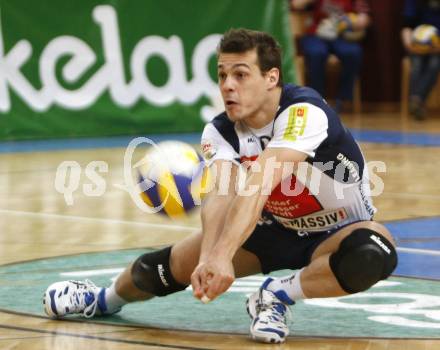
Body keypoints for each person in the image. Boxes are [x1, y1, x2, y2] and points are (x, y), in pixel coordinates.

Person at [43, 28, 397, 344]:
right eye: (223, 74)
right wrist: (212, 257)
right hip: (273, 226)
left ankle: (275, 296)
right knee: (163, 270)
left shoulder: (304, 112)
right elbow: (222, 194)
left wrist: (223, 256)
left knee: (373, 252)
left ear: (271, 77)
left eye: (241, 75)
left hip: (337, 230)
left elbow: (258, 183)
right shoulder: (220, 131)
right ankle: (102, 299)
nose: (228, 85)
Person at [291, 0, 370, 112]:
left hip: (342, 34)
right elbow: (296, 4)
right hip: (317, 33)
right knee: (316, 53)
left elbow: (364, 16)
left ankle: (343, 100)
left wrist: (356, 21)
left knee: (353, 53)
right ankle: (317, 100)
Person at [401, 0, 440, 120]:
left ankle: (416, 99)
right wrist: (409, 44)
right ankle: (418, 102)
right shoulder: (413, 3)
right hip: (417, 46)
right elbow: (407, 25)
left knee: (434, 65)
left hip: (437, 48)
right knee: (416, 66)